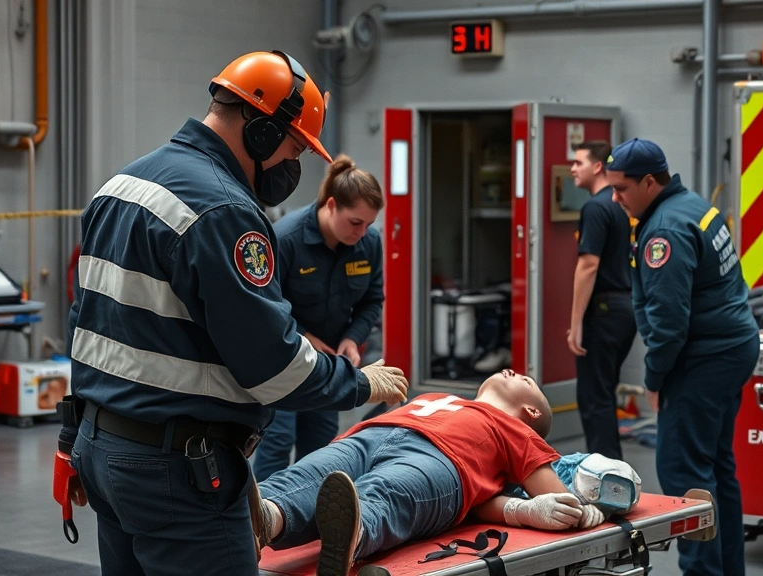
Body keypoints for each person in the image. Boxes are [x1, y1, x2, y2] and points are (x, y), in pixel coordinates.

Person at [60, 50, 409, 575]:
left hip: (102, 450)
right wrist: (359, 383)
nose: (293, 167)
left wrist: (71, 440)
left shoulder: (121, 186)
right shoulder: (224, 210)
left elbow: (84, 330)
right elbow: (273, 367)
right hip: (175, 473)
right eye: (294, 148)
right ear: (261, 131)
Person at [251, 370, 615, 575]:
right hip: (371, 436)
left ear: (530, 412)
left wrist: (580, 511)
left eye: (526, 380)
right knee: (308, 478)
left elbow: (556, 500)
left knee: (387, 493)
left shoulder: (518, 431)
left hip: (443, 461)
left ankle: (354, 534)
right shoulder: (440, 396)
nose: (514, 370)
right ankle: (266, 519)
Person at [605, 138, 760, 576]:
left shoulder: (665, 231)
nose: (615, 199)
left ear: (649, 182)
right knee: (716, 469)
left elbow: (669, 322)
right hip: (731, 347)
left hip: (702, 359)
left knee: (685, 476)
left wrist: (655, 379)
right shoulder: (694, 206)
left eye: (621, 189)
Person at [253, 154, 385, 481]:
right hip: (283, 361)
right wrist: (303, 335)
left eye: (369, 225)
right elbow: (265, 304)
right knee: (277, 442)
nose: (362, 232)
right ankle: (264, 512)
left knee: (323, 450)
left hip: (329, 365)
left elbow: (372, 300)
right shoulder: (286, 238)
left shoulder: (368, 243)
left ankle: (309, 512)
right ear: (331, 205)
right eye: (355, 222)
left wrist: (352, 338)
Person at [566, 141, 636, 461]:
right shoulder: (621, 204)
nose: (572, 169)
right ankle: (611, 468)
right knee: (605, 393)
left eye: (578, 162)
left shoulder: (595, 207)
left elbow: (588, 266)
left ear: (597, 167)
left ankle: (605, 474)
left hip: (604, 311)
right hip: (625, 308)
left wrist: (576, 323)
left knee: (594, 398)